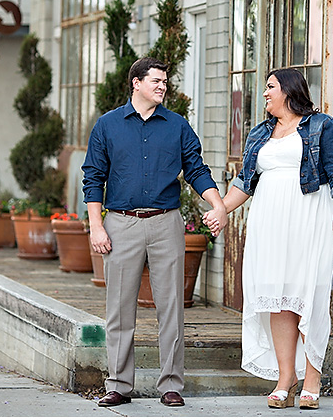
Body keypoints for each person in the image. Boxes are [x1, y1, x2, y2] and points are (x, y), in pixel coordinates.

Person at [83, 57, 227, 408]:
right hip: (121, 222)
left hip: (166, 223)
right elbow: (92, 177)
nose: (162, 86)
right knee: (118, 308)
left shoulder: (177, 126)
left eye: (165, 81)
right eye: (156, 81)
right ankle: (118, 384)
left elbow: (196, 169)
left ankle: (171, 384)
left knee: (171, 307)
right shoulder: (107, 125)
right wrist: (96, 225)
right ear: (136, 83)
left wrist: (218, 204)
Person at [204, 68, 333, 410]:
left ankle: (312, 378)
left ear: (288, 89)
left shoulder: (322, 125)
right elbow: (244, 183)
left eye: (270, 87)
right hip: (268, 221)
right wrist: (221, 211)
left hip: (309, 216)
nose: (265, 93)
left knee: (307, 294)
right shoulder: (260, 133)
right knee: (277, 297)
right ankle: (286, 377)